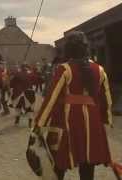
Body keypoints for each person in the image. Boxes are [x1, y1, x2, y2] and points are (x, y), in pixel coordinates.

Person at [33, 31, 113, 180]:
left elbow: (52, 99)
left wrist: (39, 124)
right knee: (88, 163)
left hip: (68, 120)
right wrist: (106, 120)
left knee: (60, 161)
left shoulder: (64, 69)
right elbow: (106, 100)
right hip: (93, 121)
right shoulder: (100, 70)